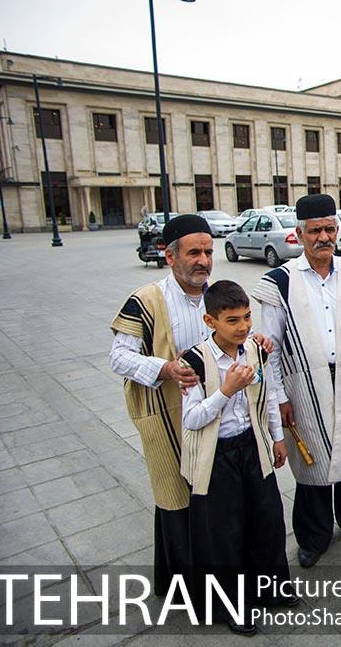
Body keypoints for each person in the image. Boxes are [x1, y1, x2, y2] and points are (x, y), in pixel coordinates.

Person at [252, 194, 341, 568]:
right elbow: (270, 347)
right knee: (311, 459)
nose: (323, 237)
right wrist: (278, 397)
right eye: (315, 231)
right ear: (299, 234)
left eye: (329, 229)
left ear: (337, 230)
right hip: (302, 385)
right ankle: (314, 535)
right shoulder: (279, 281)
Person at [180, 280, 295, 635]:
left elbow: (269, 395)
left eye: (246, 317)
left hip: (253, 445)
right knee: (225, 531)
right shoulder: (193, 361)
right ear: (210, 321)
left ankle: (271, 589)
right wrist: (225, 391)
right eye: (232, 320)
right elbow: (192, 418)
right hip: (217, 456)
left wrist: (277, 439)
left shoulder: (256, 350)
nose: (243, 326)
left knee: (267, 520)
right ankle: (232, 604)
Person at [109, 213, 214, 596]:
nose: (203, 261)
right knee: (175, 496)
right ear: (170, 257)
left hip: (213, 416)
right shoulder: (146, 300)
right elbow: (119, 357)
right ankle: (183, 586)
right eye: (194, 253)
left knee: (211, 498)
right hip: (168, 417)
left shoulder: (218, 296)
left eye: (208, 252)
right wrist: (165, 368)